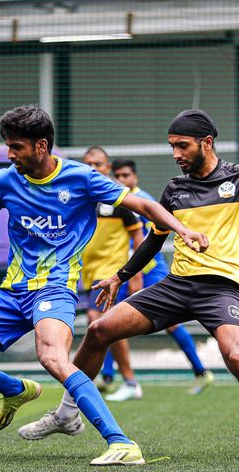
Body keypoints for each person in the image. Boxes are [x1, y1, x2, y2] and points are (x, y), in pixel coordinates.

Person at [28, 109, 239, 460]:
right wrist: (119, 277)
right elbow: (153, 240)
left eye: (182, 146)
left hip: (221, 289)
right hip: (176, 286)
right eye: (172, 146)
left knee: (236, 356)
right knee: (99, 330)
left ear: (206, 143)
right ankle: (67, 413)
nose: (176, 154)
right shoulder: (175, 189)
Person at [0, 105, 208, 466]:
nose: (9, 154)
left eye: (16, 147)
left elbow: (144, 207)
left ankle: (121, 442)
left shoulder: (82, 178)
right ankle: (15, 390)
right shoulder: (4, 182)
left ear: (41, 146)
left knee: (52, 357)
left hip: (55, 289)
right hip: (11, 292)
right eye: (7, 146)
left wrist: (182, 230)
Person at [99, 157, 213, 400]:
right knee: (108, 319)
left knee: (170, 323)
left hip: (150, 269)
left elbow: (150, 238)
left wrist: (137, 275)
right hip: (128, 270)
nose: (122, 180)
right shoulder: (116, 199)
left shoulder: (144, 201)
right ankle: (107, 377)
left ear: (135, 177)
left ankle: (200, 371)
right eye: (118, 176)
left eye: (126, 176)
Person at [81, 147, 144, 401]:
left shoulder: (116, 195)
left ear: (107, 168)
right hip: (88, 273)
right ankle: (114, 379)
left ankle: (121, 380)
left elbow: (138, 233)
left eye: (98, 164)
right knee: (104, 325)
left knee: (99, 320)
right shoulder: (81, 195)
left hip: (111, 271)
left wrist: (135, 273)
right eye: (88, 164)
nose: (93, 168)